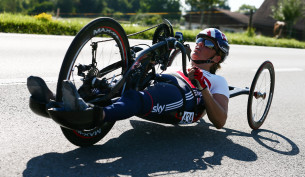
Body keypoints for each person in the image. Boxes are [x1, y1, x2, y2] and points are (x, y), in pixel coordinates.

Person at [28, 28, 229, 129]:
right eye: (199, 39)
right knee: (113, 82)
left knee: (137, 98)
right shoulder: (180, 63)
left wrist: (202, 86)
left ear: (217, 57)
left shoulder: (218, 82)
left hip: (182, 95)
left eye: (207, 44)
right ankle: (59, 101)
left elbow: (220, 120)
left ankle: (94, 116)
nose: (199, 44)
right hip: (159, 81)